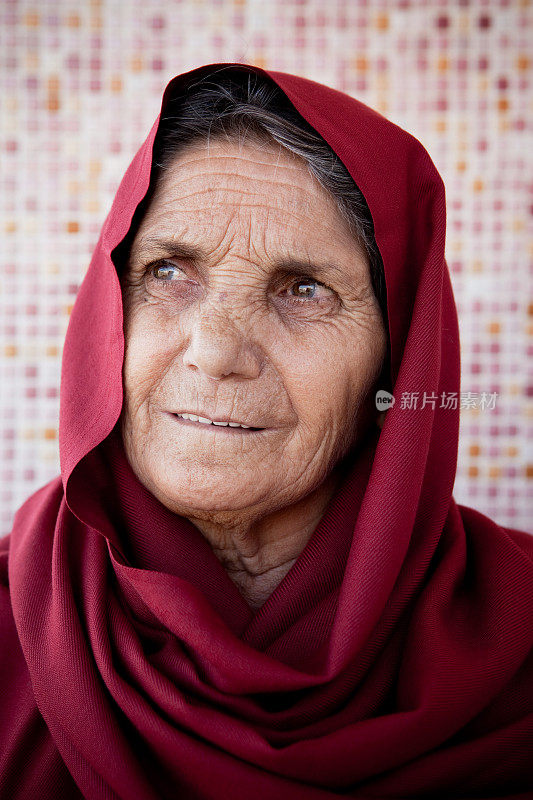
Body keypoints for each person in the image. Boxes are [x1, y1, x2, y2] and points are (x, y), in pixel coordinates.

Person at [0, 63, 531, 800]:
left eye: (304, 289)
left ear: (400, 359)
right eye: (167, 273)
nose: (216, 352)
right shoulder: (9, 624)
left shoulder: (520, 640)